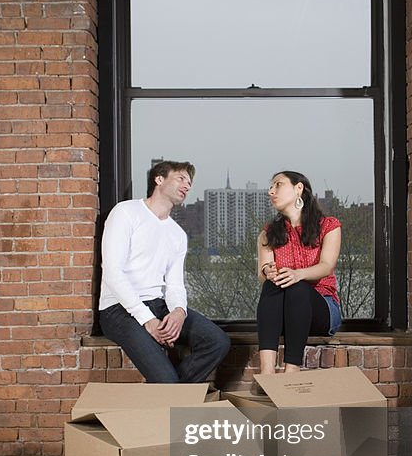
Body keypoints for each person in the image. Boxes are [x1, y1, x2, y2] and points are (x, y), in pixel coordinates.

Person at [99, 160, 230, 383]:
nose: (187, 186)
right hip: (118, 309)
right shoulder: (126, 212)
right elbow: (112, 272)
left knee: (218, 341)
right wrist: (148, 320)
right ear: (159, 179)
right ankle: (169, 391)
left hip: (158, 304)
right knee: (166, 381)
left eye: (189, 183)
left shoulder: (177, 234)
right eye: (181, 178)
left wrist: (179, 312)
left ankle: (167, 392)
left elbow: (175, 285)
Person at [256, 170, 342, 377]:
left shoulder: (328, 226)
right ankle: (266, 373)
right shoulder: (268, 233)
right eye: (270, 187)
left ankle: (291, 372)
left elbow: (326, 266)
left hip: (322, 310)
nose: (271, 191)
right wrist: (268, 271)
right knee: (272, 284)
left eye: (278, 184)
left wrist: (298, 274)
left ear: (298, 188)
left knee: (297, 286)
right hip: (285, 316)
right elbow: (263, 272)